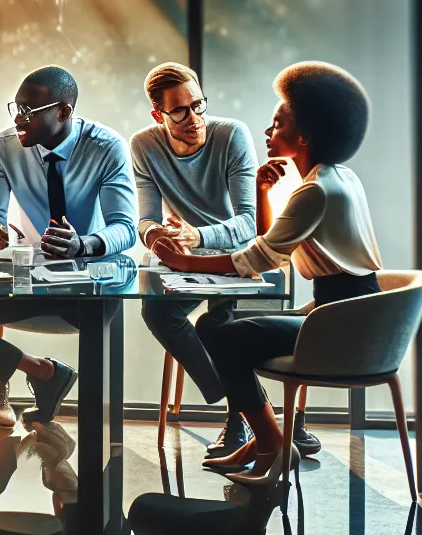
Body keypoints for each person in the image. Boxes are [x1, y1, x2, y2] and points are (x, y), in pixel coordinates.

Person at [150, 62, 382, 485]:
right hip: (347, 311)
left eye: (278, 123)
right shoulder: (335, 179)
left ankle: (271, 443)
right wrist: (260, 193)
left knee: (222, 334)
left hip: (341, 323)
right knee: (222, 327)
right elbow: (274, 246)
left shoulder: (315, 191)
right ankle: (266, 438)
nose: (267, 131)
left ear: (304, 136)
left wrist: (188, 262)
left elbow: (259, 258)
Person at [0, 66, 136, 427]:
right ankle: (43, 371)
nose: (19, 119)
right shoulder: (2, 148)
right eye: (16, 108)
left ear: (63, 111)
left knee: (99, 316)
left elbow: (125, 228)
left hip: (88, 284)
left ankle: (95, 437)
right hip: (26, 277)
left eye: (29, 111)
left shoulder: (106, 147)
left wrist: (83, 244)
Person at [128, 62, 293, 461]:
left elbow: (249, 222)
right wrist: (155, 234)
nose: (193, 118)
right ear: (159, 114)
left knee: (218, 326)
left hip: (237, 259)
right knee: (157, 313)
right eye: (180, 111)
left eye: (198, 105)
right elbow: (145, 217)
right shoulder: (144, 146)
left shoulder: (231, 134)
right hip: (185, 260)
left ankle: (240, 418)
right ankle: (232, 394)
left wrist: (198, 236)